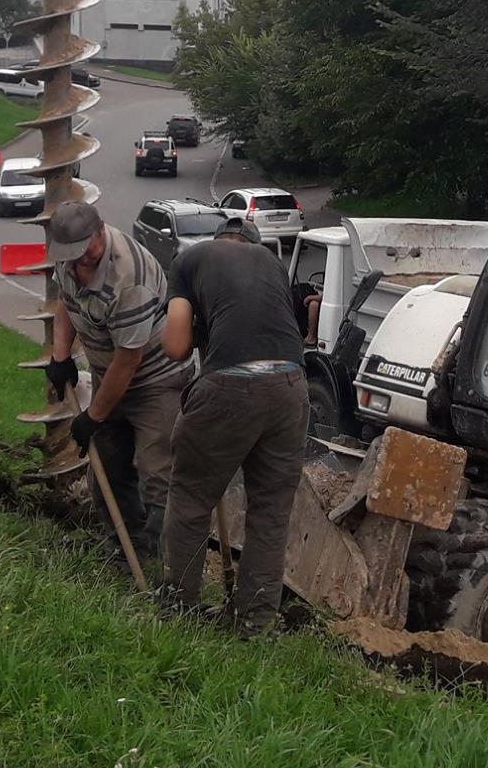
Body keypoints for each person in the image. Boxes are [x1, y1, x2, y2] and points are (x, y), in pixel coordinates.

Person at [158, 215, 308, 636]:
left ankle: (180, 611)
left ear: (218, 239)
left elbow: (175, 347)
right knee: (270, 514)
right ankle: (255, 624)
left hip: (230, 386)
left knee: (190, 498)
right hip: (291, 388)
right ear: (252, 243)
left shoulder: (190, 259)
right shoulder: (272, 264)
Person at [43, 199, 186, 557]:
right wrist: (61, 357)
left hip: (156, 380)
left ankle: (169, 565)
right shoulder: (69, 261)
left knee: (158, 473)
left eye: (84, 251)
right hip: (111, 377)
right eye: (71, 257)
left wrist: (93, 416)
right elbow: (66, 302)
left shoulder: (129, 276)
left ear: (100, 229)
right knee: (106, 467)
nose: (79, 262)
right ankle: (128, 546)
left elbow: (129, 359)